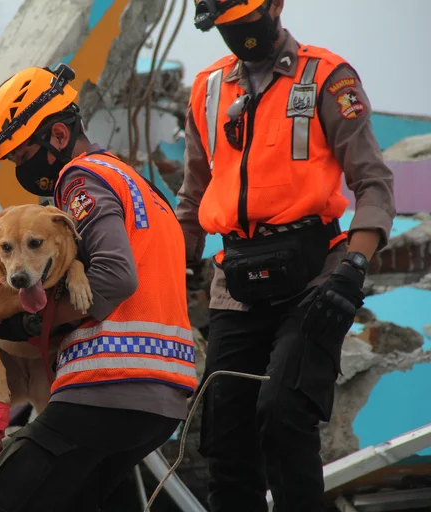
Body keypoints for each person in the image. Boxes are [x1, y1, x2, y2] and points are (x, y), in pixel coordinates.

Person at [178, 1, 396, 510]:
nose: (240, 33)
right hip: (235, 283)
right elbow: (191, 200)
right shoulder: (207, 90)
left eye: (247, 18)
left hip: (317, 276)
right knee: (224, 441)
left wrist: (352, 269)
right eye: (227, 26)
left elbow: (374, 184)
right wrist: (166, 271)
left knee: (283, 414)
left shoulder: (328, 77)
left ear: (276, 6)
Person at [0, 63, 196, 512]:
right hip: (163, 397)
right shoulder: (133, 182)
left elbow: (116, 276)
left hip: (107, 385)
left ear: (59, 139)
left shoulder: (80, 179)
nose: (21, 172)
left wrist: (30, 322)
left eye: (24, 158)